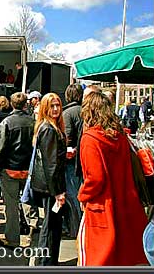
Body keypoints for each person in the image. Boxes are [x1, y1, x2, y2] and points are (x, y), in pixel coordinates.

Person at [78, 92, 148, 266]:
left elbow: (96, 178)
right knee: (122, 258)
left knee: (94, 258)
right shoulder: (120, 136)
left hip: (101, 205)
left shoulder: (90, 139)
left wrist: (82, 196)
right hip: (125, 202)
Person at [0, 92, 34, 249]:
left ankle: (12, 239)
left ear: (12, 104)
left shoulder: (6, 122)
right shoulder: (33, 122)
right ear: (26, 104)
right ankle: (32, 235)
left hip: (10, 169)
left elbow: (0, 148)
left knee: (11, 207)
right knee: (30, 204)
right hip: (28, 169)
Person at [31, 93, 67, 266]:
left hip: (51, 185)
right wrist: (57, 192)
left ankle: (48, 261)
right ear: (45, 108)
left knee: (52, 225)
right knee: (49, 226)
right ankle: (45, 262)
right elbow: (50, 164)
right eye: (52, 106)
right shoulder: (48, 129)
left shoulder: (51, 127)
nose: (55, 109)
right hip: (50, 187)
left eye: (58, 105)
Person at [61, 84, 84, 238]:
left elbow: (67, 137)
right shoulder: (84, 111)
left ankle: (75, 229)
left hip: (71, 161)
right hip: (83, 159)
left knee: (72, 195)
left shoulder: (68, 113)